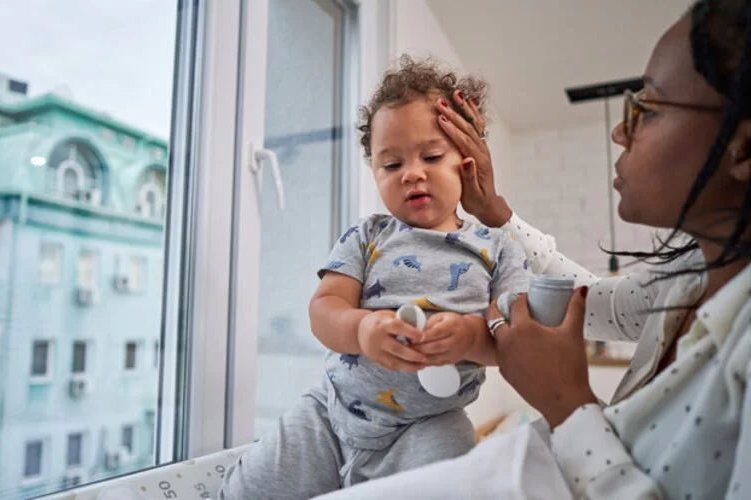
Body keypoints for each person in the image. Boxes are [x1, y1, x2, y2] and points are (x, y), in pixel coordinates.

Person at [315, 0, 751, 498]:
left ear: (744, 148)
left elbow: (515, 326)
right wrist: (494, 210)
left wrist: (567, 403)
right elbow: (589, 300)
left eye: (646, 108)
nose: (620, 129)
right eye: (390, 163)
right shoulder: (685, 282)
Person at [219, 57, 531, 500]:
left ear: (465, 160)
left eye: (432, 156)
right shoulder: (368, 235)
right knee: (247, 492)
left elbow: (515, 342)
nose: (412, 172)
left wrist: (468, 337)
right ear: (375, 173)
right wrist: (362, 328)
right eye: (391, 164)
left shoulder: (499, 247)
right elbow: (324, 308)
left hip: (426, 426)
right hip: (332, 411)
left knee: (455, 462)